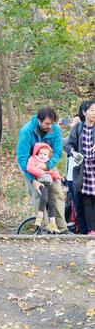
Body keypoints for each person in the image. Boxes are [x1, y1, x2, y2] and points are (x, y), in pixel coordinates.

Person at [17, 107, 69, 233]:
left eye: (51, 123)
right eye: (47, 123)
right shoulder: (27, 131)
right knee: (39, 196)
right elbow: (22, 158)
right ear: (39, 120)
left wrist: (47, 165)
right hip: (30, 164)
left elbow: (57, 152)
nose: (49, 126)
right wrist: (32, 180)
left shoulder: (55, 129)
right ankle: (45, 228)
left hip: (47, 163)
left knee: (57, 193)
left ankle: (61, 228)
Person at [66, 100, 95, 236]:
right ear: (84, 112)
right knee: (86, 201)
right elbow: (69, 145)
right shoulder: (78, 128)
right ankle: (90, 231)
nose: (94, 113)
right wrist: (74, 153)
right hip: (83, 170)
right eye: (92, 110)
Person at [61, 112, 87, 234]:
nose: (76, 124)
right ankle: (82, 231)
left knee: (87, 205)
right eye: (74, 122)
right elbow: (61, 143)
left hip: (85, 176)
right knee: (77, 206)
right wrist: (59, 126)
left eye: (78, 122)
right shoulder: (70, 139)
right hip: (71, 177)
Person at [26, 142, 60, 233]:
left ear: (48, 157)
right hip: (41, 183)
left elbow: (52, 172)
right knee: (44, 198)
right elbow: (30, 168)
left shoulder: (47, 164)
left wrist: (57, 176)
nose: (42, 156)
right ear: (37, 153)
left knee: (52, 202)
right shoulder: (35, 161)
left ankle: (52, 222)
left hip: (49, 184)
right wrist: (40, 172)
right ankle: (40, 216)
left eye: (45, 154)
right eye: (40, 153)